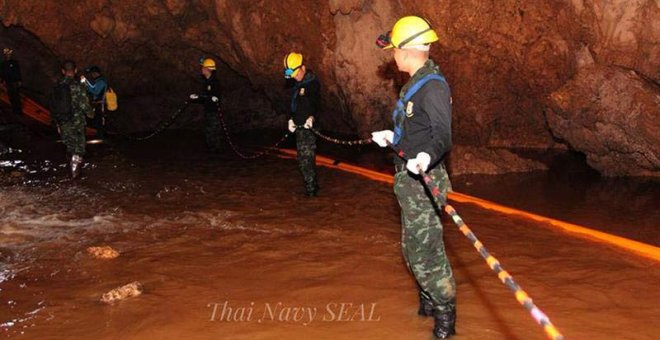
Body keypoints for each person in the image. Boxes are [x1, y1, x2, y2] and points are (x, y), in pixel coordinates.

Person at [371, 16, 456, 338]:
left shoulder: (432, 86)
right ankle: (428, 303)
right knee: (412, 248)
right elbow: (415, 129)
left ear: (406, 51)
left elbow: (442, 136)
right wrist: (392, 138)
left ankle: (446, 318)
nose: (392, 56)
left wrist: (425, 157)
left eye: (394, 50)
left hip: (426, 181)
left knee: (428, 252)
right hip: (409, 182)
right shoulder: (415, 82)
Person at [284, 52, 320, 197]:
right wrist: (290, 119)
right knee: (302, 160)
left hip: (309, 128)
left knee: (306, 160)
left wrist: (312, 118)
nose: (295, 77)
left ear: (303, 68)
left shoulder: (313, 84)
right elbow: (293, 105)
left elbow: (317, 105)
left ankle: (312, 193)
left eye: (297, 74)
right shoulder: (296, 85)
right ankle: (312, 187)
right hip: (299, 127)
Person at [52, 60, 92, 179]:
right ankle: (75, 178)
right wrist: (91, 114)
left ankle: (70, 174)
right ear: (75, 70)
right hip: (77, 122)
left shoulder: (57, 86)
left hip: (63, 121)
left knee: (69, 147)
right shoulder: (77, 86)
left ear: (63, 71)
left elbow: (53, 105)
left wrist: (57, 123)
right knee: (78, 149)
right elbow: (84, 105)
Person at [190, 57, 222, 153]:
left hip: (214, 111)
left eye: (203, 68)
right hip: (208, 110)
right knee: (208, 132)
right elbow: (206, 96)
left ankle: (216, 152)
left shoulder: (214, 82)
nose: (202, 69)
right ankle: (212, 152)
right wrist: (197, 97)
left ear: (207, 69)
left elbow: (216, 96)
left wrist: (213, 98)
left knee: (214, 132)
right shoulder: (206, 82)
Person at [80, 66, 108, 139]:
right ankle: (100, 136)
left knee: (100, 122)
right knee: (98, 121)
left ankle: (102, 138)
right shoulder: (99, 81)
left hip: (101, 105)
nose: (91, 75)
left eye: (92, 74)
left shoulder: (101, 81)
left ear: (95, 73)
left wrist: (86, 82)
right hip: (98, 104)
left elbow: (95, 91)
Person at [0, 48, 23, 117]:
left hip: (15, 82)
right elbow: (2, 73)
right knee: (11, 97)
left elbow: (18, 72)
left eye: (9, 54)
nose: (8, 55)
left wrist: (19, 80)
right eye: (7, 54)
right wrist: (1, 81)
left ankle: (19, 111)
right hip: (8, 82)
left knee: (16, 96)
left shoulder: (15, 63)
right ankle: (14, 111)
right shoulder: (3, 64)